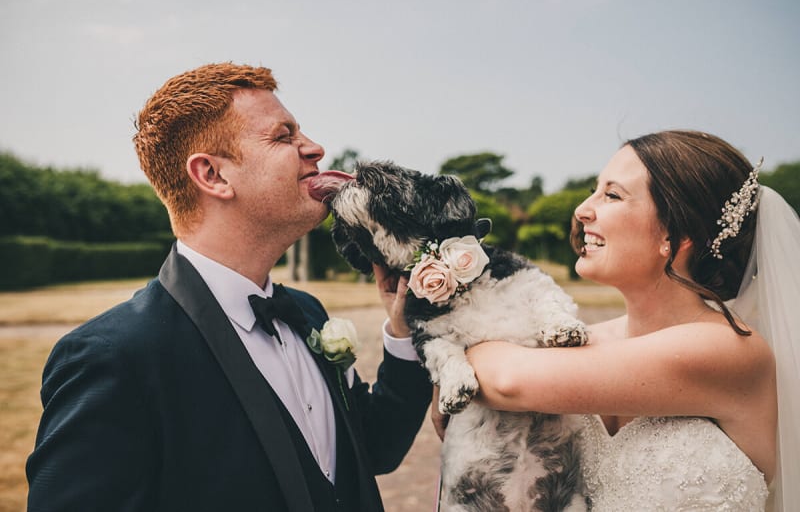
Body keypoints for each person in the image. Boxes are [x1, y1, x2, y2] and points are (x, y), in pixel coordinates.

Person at [26, 62, 432, 512]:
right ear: (212, 175)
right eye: (284, 136)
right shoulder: (113, 357)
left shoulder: (307, 312)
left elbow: (375, 448)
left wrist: (403, 330)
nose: (315, 148)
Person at [442, 130, 798, 510]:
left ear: (675, 234)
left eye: (612, 195)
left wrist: (452, 346)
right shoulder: (586, 342)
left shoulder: (730, 350)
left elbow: (508, 382)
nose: (582, 209)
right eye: (595, 190)